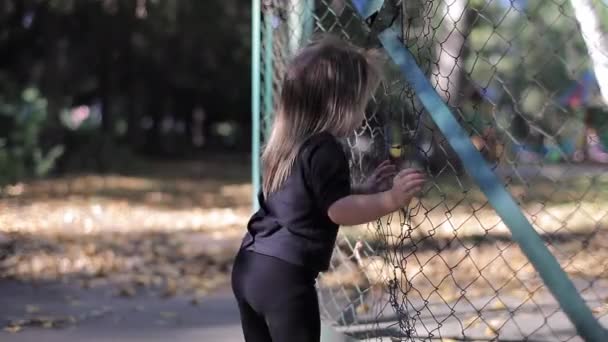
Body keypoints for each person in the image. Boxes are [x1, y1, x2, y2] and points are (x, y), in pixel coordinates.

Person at [231, 35, 427, 342]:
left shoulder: (285, 146)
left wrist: (364, 190)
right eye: (361, 105)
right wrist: (391, 199)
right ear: (338, 104)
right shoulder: (326, 149)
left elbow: (310, 198)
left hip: (250, 265)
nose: (363, 116)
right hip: (286, 279)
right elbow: (338, 211)